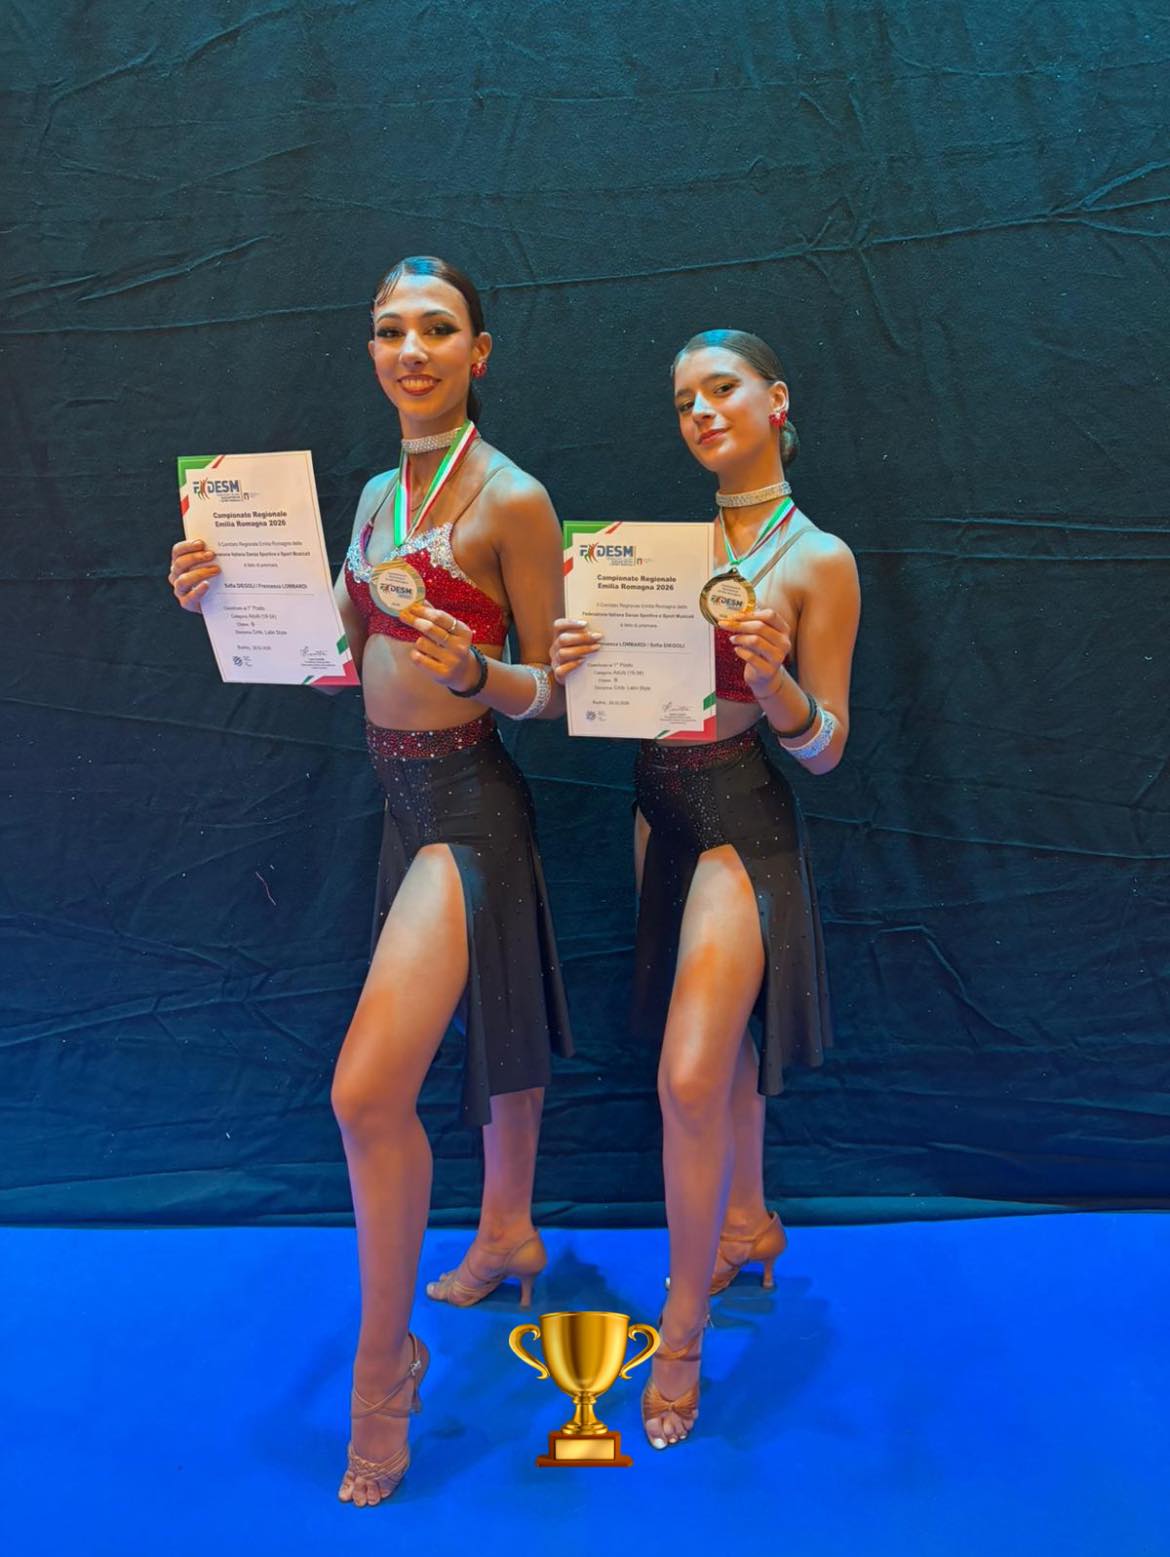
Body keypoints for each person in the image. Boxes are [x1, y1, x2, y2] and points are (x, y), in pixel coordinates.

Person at [168, 257, 572, 1506]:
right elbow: (340, 655)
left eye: (437, 328)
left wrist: (478, 672)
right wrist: (222, 598)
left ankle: (385, 1365)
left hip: (469, 804)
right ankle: (507, 1231)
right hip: (398, 799)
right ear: (372, 349)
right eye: (391, 329)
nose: (412, 349)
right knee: (493, 1020)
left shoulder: (514, 498)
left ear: (479, 351)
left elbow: (556, 693)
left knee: (365, 1093)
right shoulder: (373, 495)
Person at [552, 328, 860, 1451]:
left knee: (689, 1076)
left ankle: (680, 1335)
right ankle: (746, 1224)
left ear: (776, 399)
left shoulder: (818, 558)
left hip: (740, 821)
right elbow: (614, 692)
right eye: (684, 399)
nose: (701, 412)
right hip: (658, 810)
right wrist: (576, 664)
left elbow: (826, 748)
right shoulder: (661, 552)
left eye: (721, 388)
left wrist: (775, 682)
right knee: (718, 1052)